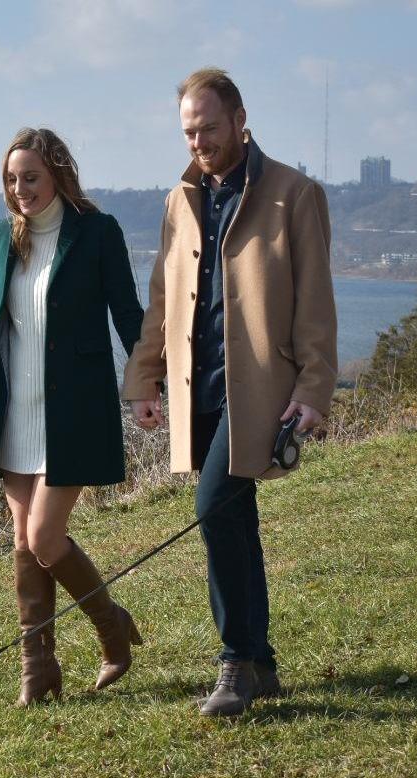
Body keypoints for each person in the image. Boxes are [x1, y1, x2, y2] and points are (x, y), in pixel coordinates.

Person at [122, 68, 338, 716]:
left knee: (214, 506)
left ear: (240, 120)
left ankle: (235, 662)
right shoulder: (178, 201)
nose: (199, 142)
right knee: (235, 519)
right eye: (189, 132)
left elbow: (315, 303)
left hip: (262, 391)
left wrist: (314, 389)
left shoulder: (295, 195)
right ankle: (262, 664)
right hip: (198, 391)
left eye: (209, 128)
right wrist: (143, 377)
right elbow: (162, 298)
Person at [0, 127, 147, 706]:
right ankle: (38, 669)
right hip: (15, 411)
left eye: (30, 177)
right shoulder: (4, 235)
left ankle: (112, 630)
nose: (20, 189)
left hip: (72, 411)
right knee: (23, 543)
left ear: (57, 173)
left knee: (45, 538)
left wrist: (144, 383)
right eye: (11, 179)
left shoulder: (97, 232)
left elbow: (127, 313)